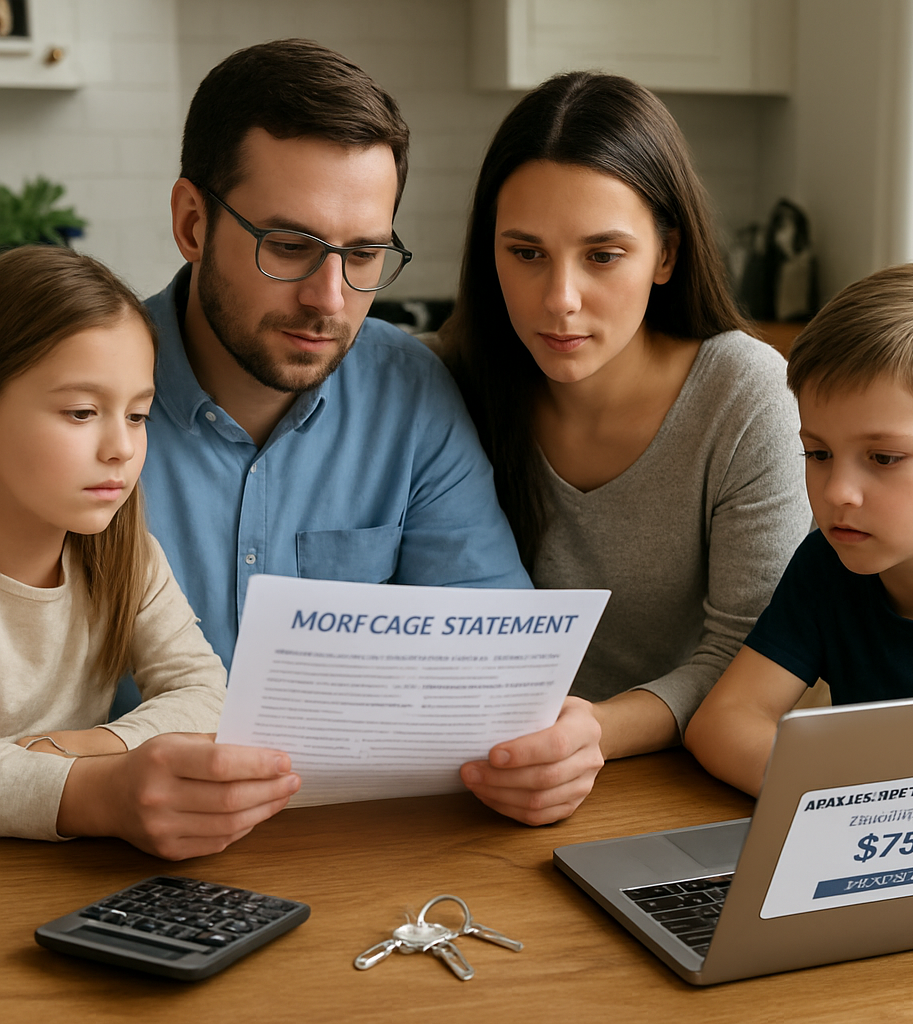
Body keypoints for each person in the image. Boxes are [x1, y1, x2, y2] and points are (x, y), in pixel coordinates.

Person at [441, 72, 810, 825]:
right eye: (527, 253)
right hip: (479, 780)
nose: (560, 300)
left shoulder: (745, 394)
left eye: (603, 255)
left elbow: (751, 658)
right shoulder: (446, 380)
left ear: (666, 254)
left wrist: (594, 732)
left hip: (678, 785)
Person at [139, 38, 530, 681]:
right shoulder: (71, 395)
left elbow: (493, 661)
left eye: (364, 255)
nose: (331, 299)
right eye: (290, 245)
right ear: (192, 224)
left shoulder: (411, 394)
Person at [0, 246, 299, 857]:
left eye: (137, 415)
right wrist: (98, 792)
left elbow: (206, 693)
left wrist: (83, 750)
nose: (121, 448)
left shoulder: (124, 555)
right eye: (82, 412)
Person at [685, 263, 913, 796]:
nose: (837, 490)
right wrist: (866, 800)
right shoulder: (827, 565)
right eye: (818, 452)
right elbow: (724, 724)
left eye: (883, 457)